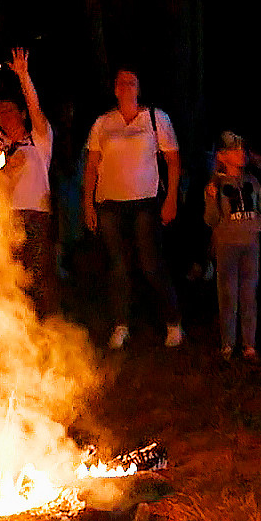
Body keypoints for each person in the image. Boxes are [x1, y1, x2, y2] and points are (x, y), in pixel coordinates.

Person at [83, 66, 183, 349]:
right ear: (115, 89)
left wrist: (171, 197)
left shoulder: (155, 119)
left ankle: (173, 321)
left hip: (145, 202)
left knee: (151, 264)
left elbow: (173, 161)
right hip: (110, 204)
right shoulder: (103, 123)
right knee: (118, 266)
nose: (126, 87)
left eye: (132, 82)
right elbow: (91, 167)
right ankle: (121, 324)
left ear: (138, 89)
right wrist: (88, 204)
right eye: (121, 83)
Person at [0, 46, 58, 318]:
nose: (4, 116)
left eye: (9, 111)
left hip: (37, 215)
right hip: (6, 218)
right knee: (11, 278)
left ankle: (49, 328)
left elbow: (35, 107)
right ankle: (18, 329)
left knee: (40, 277)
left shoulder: (38, 139)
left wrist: (23, 75)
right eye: (0, 113)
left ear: (20, 114)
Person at [203, 131, 261, 360]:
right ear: (222, 156)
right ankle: (227, 343)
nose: (241, 153)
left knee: (248, 294)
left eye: (242, 149)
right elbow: (211, 220)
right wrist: (212, 199)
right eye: (234, 150)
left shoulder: (252, 183)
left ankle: (249, 344)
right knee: (227, 295)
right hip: (227, 246)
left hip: (251, 245)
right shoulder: (216, 185)